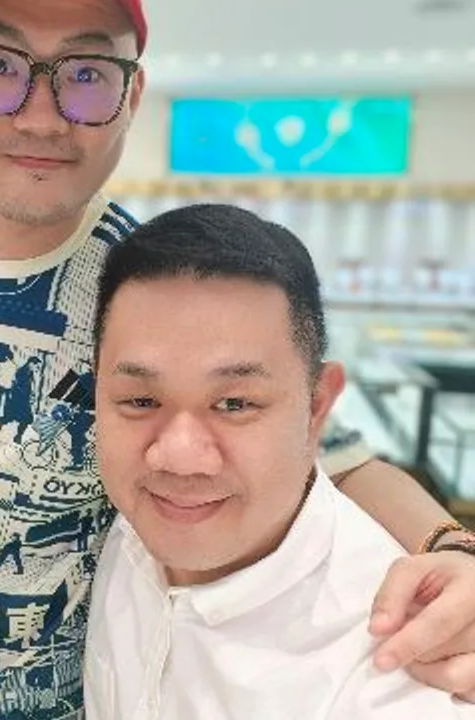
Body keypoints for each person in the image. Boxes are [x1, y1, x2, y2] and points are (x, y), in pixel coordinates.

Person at [0, 0, 475, 717]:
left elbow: (335, 456)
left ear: (131, 95)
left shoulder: (145, 293)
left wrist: (455, 552)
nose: (41, 118)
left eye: (85, 73)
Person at [85, 203, 475, 719]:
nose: (178, 458)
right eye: (140, 400)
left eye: (234, 404)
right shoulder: (123, 529)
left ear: (317, 407)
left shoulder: (394, 679)